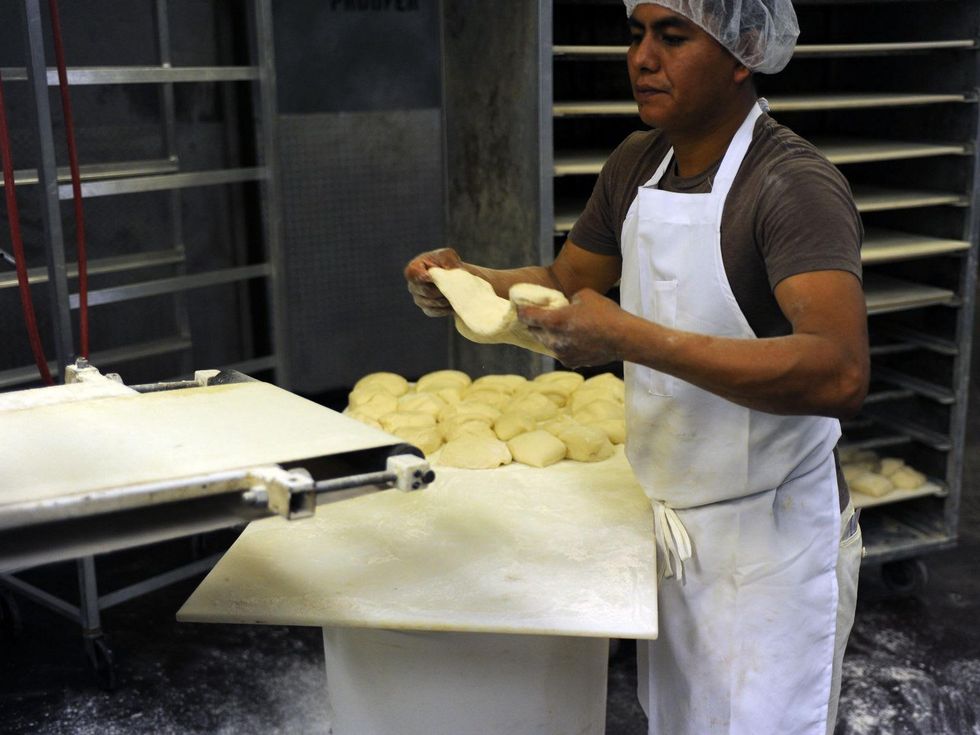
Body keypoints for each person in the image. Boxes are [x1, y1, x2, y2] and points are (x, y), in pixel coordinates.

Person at [404, 1, 868, 732]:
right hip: (675, 530)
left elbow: (839, 371)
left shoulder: (790, 186)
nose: (643, 57)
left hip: (771, 546)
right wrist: (468, 281)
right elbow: (562, 281)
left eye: (673, 36)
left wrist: (628, 338)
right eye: (636, 34)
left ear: (741, 53)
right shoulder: (637, 162)